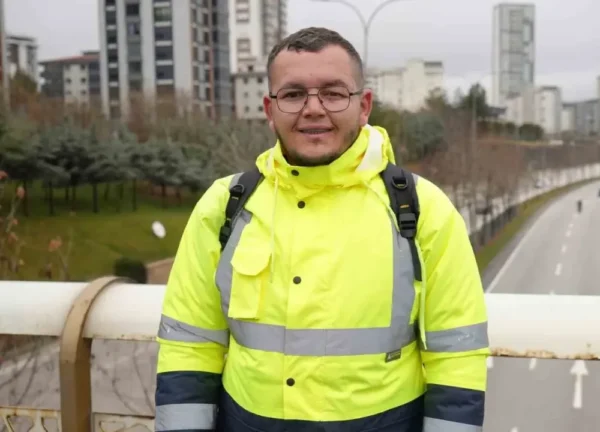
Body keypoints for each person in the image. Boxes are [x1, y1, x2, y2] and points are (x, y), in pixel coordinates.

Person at [154, 26, 489, 432]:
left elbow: (456, 355)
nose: (313, 108)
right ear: (269, 108)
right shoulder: (224, 205)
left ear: (364, 105)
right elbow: (189, 346)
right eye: (293, 94)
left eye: (333, 93)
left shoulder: (423, 209)